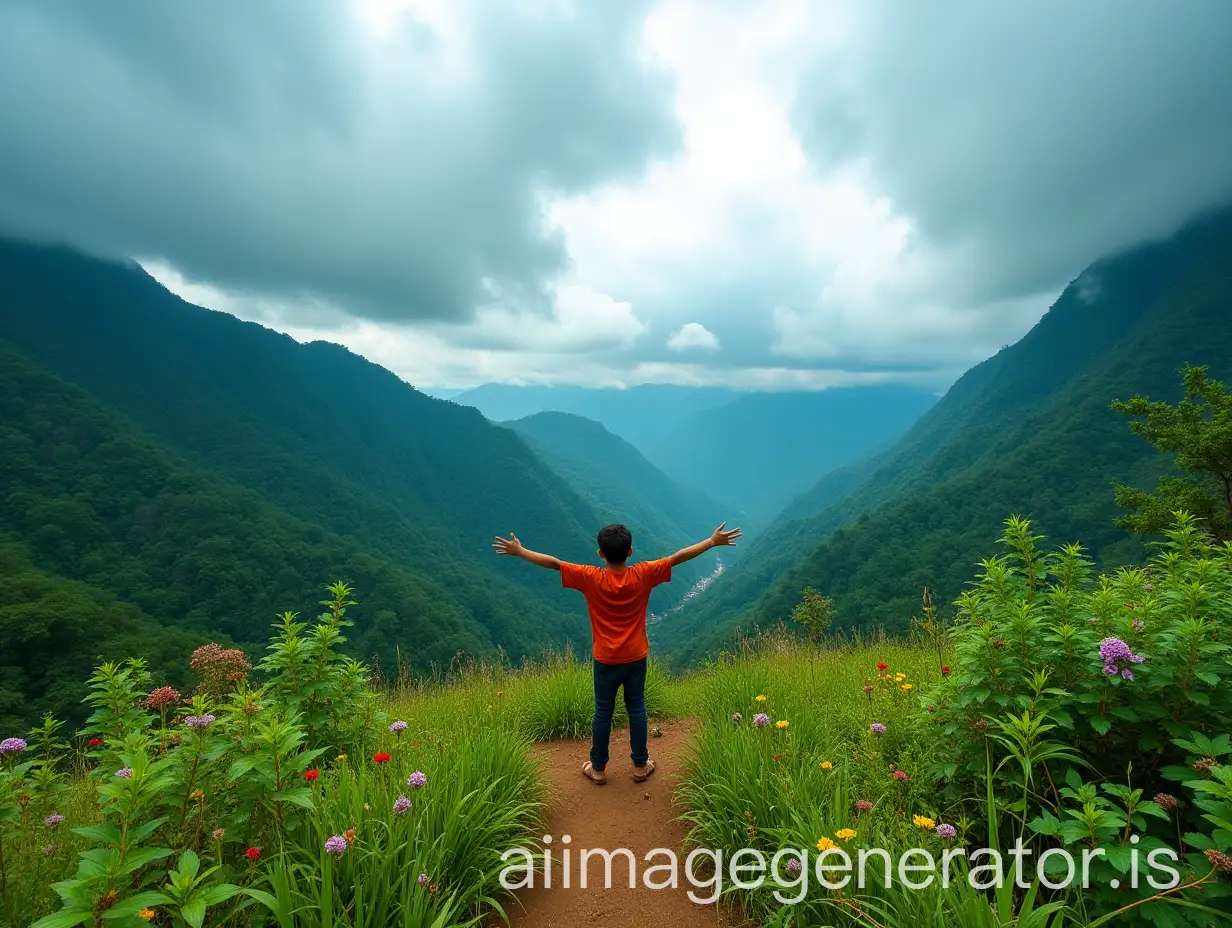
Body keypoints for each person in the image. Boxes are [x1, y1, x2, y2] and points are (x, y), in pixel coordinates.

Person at [493, 521, 742, 784]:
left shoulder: (590, 577)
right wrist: (711, 541)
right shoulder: (643, 574)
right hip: (636, 657)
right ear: (631, 551)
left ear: (601, 554)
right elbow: (678, 557)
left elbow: (555, 563)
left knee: (603, 712)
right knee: (636, 708)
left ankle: (598, 769)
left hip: (605, 660)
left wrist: (520, 551)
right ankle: (639, 766)